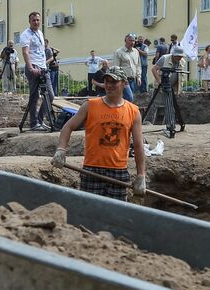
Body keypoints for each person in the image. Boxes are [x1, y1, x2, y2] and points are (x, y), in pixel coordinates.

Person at [52, 66, 146, 201]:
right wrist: (61, 149)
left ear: (124, 83)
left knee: (115, 216)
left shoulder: (133, 112)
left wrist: (141, 175)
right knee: (89, 214)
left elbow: (138, 145)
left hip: (118, 171)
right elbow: (67, 127)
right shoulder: (90, 106)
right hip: (92, 170)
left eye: (114, 82)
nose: (109, 85)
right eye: (107, 81)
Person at [19, 10, 52, 130]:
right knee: (34, 96)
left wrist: (44, 65)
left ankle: (39, 119)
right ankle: (33, 123)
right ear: (30, 21)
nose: (36, 22)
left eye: (38, 20)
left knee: (50, 95)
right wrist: (30, 67)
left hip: (43, 67)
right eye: (34, 20)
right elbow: (25, 52)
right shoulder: (25, 34)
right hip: (33, 67)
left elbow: (41, 51)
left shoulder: (40, 33)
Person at [113, 34, 139, 101]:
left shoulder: (136, 52)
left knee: (129, 99)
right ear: (125, 41)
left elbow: (138, 65)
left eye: (133, 41)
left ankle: (127, 111)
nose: (132, 42)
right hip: (124, 80)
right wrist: (122, 80)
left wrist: (139, 77)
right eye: (130, 40)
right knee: (130, 98)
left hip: (133, 79)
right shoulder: (119, 52)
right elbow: (116, 68)